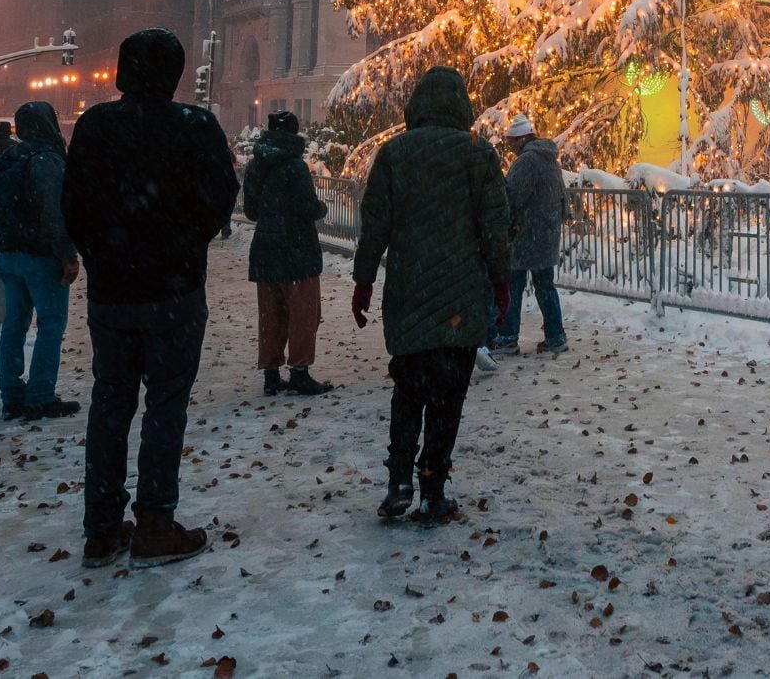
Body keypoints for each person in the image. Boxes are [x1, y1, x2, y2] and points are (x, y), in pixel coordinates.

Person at [63, 28, 239, 570]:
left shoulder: (95, 126)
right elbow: (221, 197)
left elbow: (72, 205)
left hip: (112, 293)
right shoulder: (194, 127)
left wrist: (101, 252)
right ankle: (155, 520)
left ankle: (102, 526)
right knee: (165, 404)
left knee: (110, 402)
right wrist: (186, 244)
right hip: (174, 292)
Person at [353, 67, 509, 523]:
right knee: (447, 398)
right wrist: (501, 283)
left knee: (408, 391)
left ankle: (398, 479)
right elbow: (495, 229)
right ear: (462, 103)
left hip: (407, 291)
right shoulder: (478, 155)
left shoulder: (394, 154)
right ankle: (432, 489)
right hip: (460, 297)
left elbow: (374, 226)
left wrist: (364, 282)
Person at [0, 102, 80, 421]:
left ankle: (11, 393)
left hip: (9, 254)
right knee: (51, 324)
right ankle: (40, 394)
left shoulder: (12, 155)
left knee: (14, 324)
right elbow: (53, 212)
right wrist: (66, 252)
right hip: (39, 256)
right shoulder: (48, 160)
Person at [243, 111, 334, 397]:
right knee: (303, 314)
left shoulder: (256, 166)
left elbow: (251, 211)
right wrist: (321, 209)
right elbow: (307, 207)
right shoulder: (295, 166)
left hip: (265, 250)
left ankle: (271, 374)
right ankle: (299, 372)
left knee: (271, 315)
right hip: (296, 251)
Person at [493, 116, 569, 356]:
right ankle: (556, 336)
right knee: (545, 286)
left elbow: (511, 196)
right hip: (545, 235)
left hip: (525, 236)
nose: (510, 147)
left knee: (513, 286)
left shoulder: (527, 161)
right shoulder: (549, 159)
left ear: (520, 139)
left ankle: (507, 337)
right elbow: (561, 195)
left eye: (511, 141)